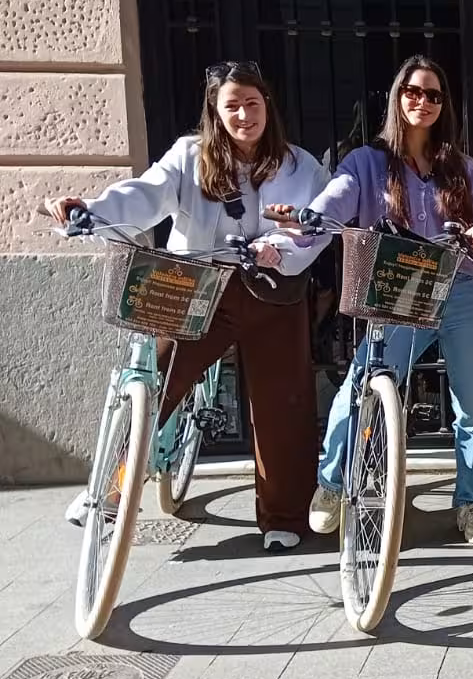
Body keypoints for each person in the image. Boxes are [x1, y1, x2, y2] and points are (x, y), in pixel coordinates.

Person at [48, 61, 328, 552]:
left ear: (268, 107)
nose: (244, 115)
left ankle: (284, 516)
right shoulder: (190, 156)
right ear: (216, 112)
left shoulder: (299, 165)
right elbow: (144, 194)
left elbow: (316, 226)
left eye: (253, 104)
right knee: (155, 379)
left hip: (273, 292)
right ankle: (109, 491)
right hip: (198, 285)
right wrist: (91, 212)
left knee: (285, 401)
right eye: (233, 106)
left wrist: (280, 249)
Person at [302, 55, 473, 544]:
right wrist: (308, 217)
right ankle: (331, 482)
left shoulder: (462, 168)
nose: (423, 102)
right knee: (362, 386)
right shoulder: (367, 163)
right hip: (398, 290)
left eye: (433, 94)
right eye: (413, 92)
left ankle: (472, 502)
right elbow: (335, 202)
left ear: (444, 104)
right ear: (398, 98)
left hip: (461, 289)